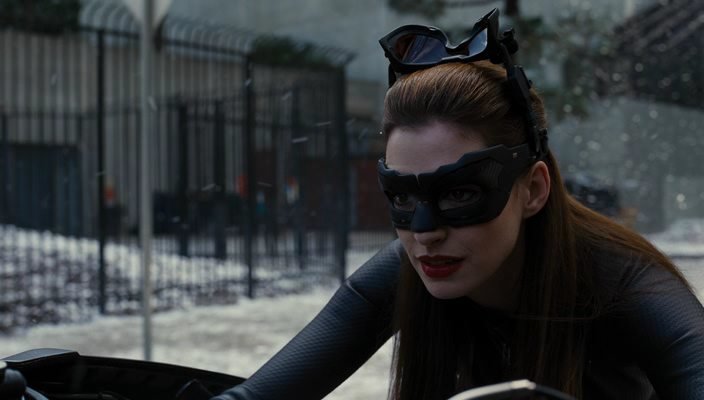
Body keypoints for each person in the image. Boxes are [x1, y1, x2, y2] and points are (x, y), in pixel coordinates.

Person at [211, 8, 704, 400]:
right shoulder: (407, 267)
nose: (425, 232)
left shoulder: (629, 286)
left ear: (534, 189)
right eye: (403, 195)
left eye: (461, 193)